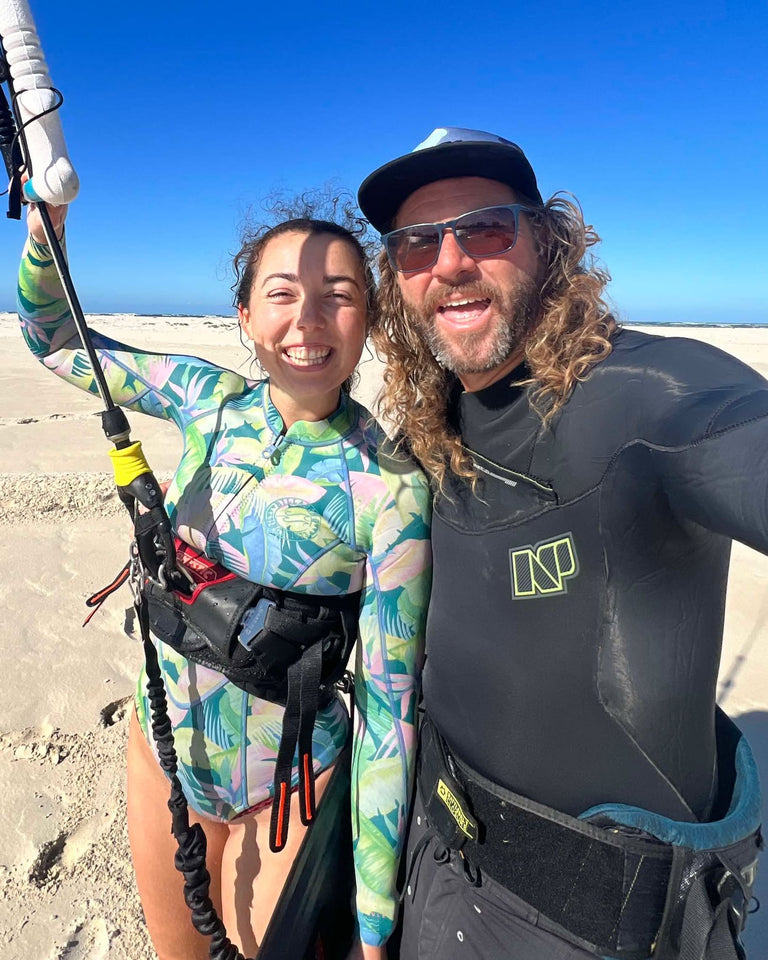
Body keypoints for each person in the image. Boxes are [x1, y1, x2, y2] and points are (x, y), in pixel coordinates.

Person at [357, 128, 764, 960]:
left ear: (548, 242)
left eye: (486, 228)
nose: (450, 262)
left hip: (601, 931)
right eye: (415, 245)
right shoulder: (426, 436)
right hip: (434, 865)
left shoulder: (650, 398)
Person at [17, 197, 432, 960]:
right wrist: (46, 236)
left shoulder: (391, 488)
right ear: (244, 315)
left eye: (339, 296)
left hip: (287, 793)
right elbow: (52, 336)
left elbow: (389, 706)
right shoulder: (205, 400)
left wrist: (375, 919)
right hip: (163, 751)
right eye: (281, 293)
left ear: (369, 321)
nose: (307, 319)